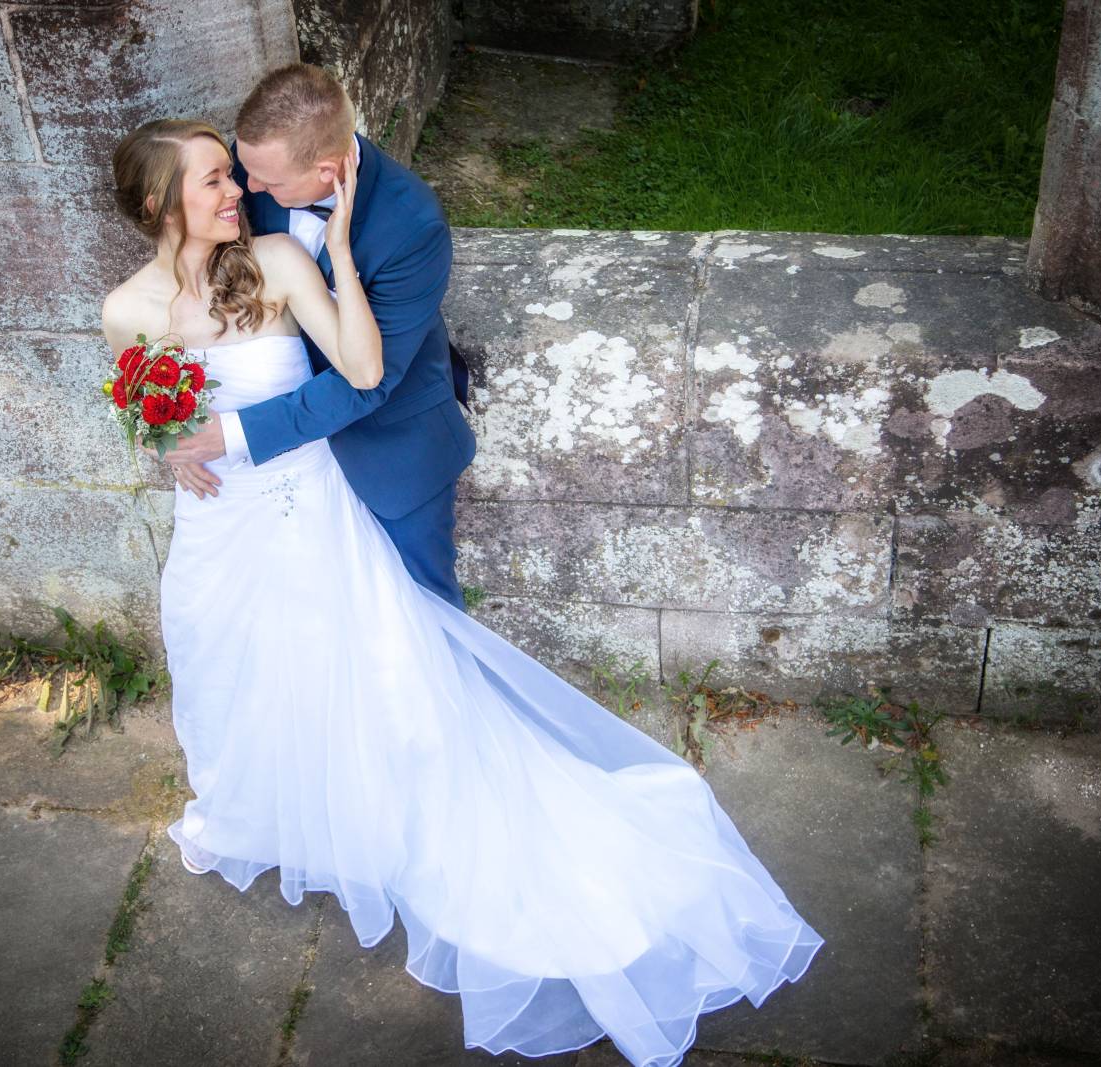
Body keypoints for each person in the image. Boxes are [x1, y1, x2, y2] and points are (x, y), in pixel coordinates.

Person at [101, 112, 823, 1067]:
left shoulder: (275, 260)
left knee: (373, 670)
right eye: (214, 180)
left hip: (306, 502)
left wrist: (339, 252)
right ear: (160, 203)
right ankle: (277, 811)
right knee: (236, 664)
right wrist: (168, 447)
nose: (238, 188)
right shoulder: (126, 308)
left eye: (234, 175)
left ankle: (378, 817)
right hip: (217, 526)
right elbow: (147, 411)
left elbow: (362, 369)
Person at [155, 63, 475, 610]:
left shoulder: (412, 227)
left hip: (389, 442)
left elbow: (372, 381)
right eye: (240, 170)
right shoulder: (258, 165)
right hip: (278, 469)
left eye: (267, 183)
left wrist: (227, 435)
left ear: (328, 171)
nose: (246, 190)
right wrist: (174, 432)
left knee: (420, 612)